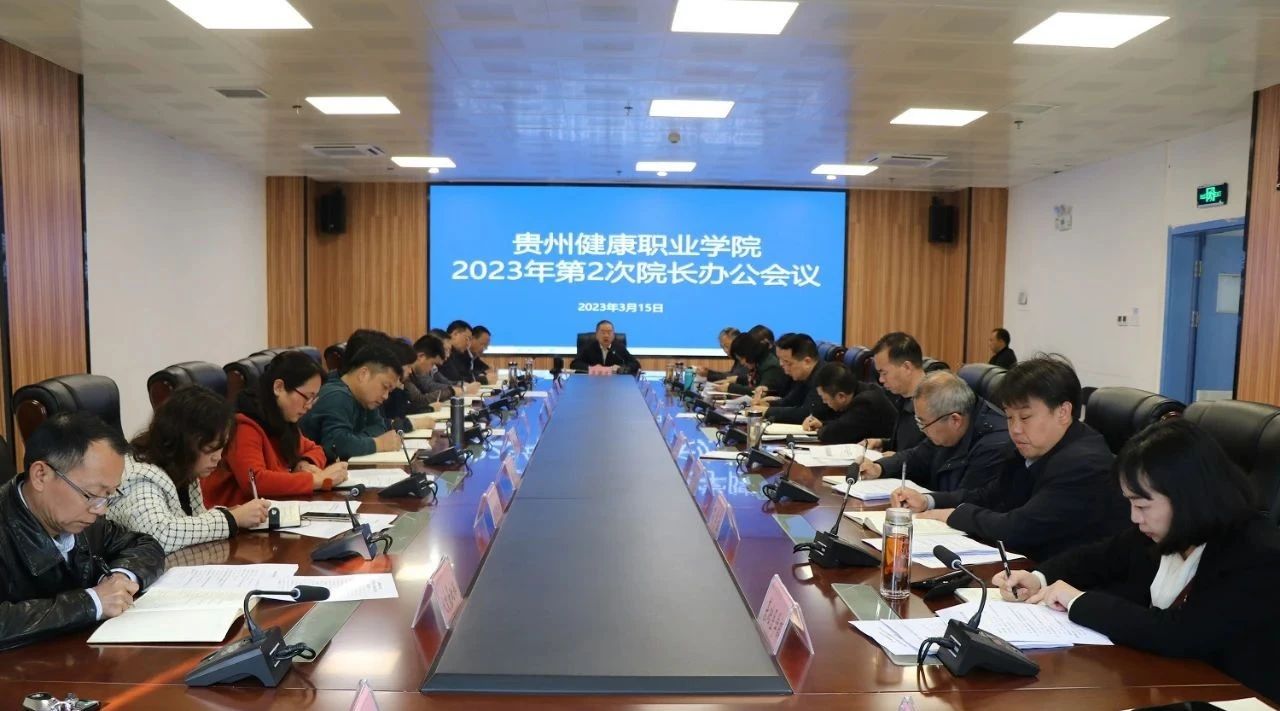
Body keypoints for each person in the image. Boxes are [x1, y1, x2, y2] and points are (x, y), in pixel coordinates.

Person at [993, 419, 1280, 699]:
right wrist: (1038, 577)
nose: (1134, 517)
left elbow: (1181, 633)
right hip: (1169, 682)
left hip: (1239, 696)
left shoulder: (1256, 554)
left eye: (1142, 505)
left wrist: (1078, 601)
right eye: (1130, 503)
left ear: (1187, 496)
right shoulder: (1167, 530)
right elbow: (1098, 558)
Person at [890, 356, 1129, 561]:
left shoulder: (1083, 464)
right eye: (1009, 417)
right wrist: (929, 501)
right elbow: (991, 495)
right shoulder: (1033, 447)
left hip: (1072, 583)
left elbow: (1018, 528)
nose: (1014, 429)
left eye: (1024, 417)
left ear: (1063, 412)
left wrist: (952, 515)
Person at [0, 412, 164, 651]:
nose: (101, 509)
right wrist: (92, 602)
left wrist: (119, 577)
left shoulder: (80, 520)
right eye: (92, 494)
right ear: (40, 475)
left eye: (108, 494)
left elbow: (143, 544)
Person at [110, 386, 270, 553]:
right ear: (183, 442)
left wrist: (231, 514)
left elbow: (191, 524)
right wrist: (232, 519)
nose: (218, 457)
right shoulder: (141, 475)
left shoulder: (184, 471)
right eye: (211, 448)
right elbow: (159, 535)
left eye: (221, 447)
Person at [205, 350, 348, 507]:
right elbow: (255, 482)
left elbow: (315, 449)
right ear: (279, 387)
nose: (309, 406)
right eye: (307, 397)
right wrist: (318, 480)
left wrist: (304, 463)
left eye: (314, 399)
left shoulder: (282, 419)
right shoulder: (244, 425)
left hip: (274, 509)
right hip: (235, 514)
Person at [859, 372, 1014, 493]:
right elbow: (917, 456)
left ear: (955, 420)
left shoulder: (995, 443)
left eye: (923, 423)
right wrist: (879, 468)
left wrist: (926, 500)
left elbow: (967, 499)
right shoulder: (947, 423)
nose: (922, 429)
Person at [301, 344, 405, 461]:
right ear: (363, 374)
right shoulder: (337, 396)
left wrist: (354, 441)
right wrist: (378, 444)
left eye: (389, 391)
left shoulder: (365, 399)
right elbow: (336, 446)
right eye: (385, 387)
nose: (385, 396)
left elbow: (379, 427)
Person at [802, 363, 896, 444]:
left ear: (841, 396)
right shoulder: (858, 390)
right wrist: (822, 424)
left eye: (825, 398)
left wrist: (822, 429)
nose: (824, 402)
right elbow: (844, 423)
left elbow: (834, 433)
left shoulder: (865, 403)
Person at [869, 332, 929, 454]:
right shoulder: (904, 398)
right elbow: (907, 445)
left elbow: (929, 456)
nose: (881, 379)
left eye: (884, 373)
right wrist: (883, 443)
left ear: (907, 367)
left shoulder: (933, 404)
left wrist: (897, 459)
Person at [764, 333, 831, 424]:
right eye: (780, 360)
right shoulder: (804, 375)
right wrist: (767, 404)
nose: (781, 365)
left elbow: (806, 413)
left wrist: (766, 411)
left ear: (807, 362)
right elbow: (790, 401)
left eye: (787, 362)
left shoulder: (825, 377)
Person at [570, 320, 640, 373]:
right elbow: (574, 364)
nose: (606, 335)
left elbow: (636, 364)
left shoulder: (619, 348)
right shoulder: (589, 347)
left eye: (609, 332)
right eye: (603, 332)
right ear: (596, 335)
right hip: (593, 381)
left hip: (614, 383)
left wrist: (621, 368)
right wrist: (591, 368)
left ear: (613, 335)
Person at [406, 333, 452, 411]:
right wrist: (452, 391)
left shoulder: (415, 374)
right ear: (421, 356)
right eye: (432, 364)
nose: (432, 369)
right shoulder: (405, 374)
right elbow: (419, 400)